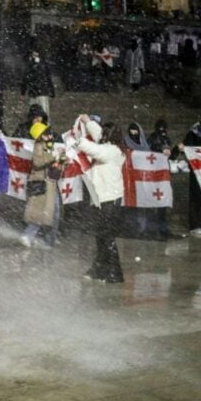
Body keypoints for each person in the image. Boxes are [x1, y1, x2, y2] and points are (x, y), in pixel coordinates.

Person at [76, 115, 126, 283]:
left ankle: (115, 273)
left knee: (107, 237)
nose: (101, 136)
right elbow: (99, 135)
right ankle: (100, 268)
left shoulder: (112, 151)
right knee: (101, 237)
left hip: (109, 199)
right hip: (103, 198)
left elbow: (94, 149)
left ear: (108, 137)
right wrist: (88, 122)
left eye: (105, 134)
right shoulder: (114, 146)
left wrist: (77, 140)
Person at [20, 122, 63, 249]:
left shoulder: (48, 146)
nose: (50, 136)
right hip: (42, 184)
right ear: (40, 136)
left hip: (50, 183)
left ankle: (48, 239)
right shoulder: (39, 146)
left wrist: (61, 158)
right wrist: (53, 156)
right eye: (46, 133)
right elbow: (38, 162)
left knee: (52, 213)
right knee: (42, 213)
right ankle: (29, 236)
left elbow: (52, 162)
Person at [148, 119, 174, 239]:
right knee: (153, 203)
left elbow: (170, 156)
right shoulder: (152, 139)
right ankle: (152, 230)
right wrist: (160, 151)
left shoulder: (166, 139)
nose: (162, 132)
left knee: (162, 203)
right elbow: (148, 153)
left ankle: (162, 229)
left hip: (163, 173)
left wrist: (175, 150)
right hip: (153, 172)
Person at [20, 49, 55, 115]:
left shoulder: (31, 66)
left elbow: (25, 80)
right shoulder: (41, 65)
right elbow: (48, 78)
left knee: (36, 113)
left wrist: (22, 93)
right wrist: (52, 92)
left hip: (36, 93)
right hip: (40, 92)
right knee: (42, 113)